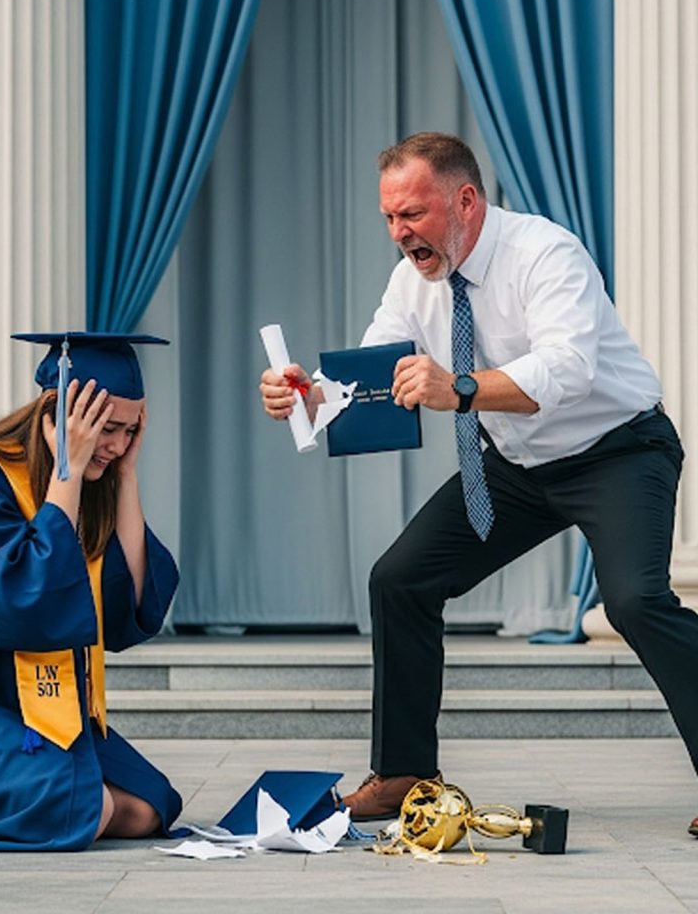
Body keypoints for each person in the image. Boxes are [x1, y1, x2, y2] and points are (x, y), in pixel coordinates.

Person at [259, 132, 697, 832]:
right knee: (399, 579)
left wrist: (458, 386)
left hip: (618, 451)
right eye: (390, 219)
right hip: (517, 465)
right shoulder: (413, 282)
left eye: (413, 215)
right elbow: (373, 377)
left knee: (637, 601)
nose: (400, 234)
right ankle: (405, 774)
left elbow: (567, 370)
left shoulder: (545, 253)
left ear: (464, 200)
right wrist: (308, 396)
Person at [0, 332, 182, 851]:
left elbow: (129, 608)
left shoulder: (97, 485)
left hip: (34, 709)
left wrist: (127, 478)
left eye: (129, 432)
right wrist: (65, 476)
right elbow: (22, 603)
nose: (113, 445)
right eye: (105, 429)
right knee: (81, 805)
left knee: (149, 805)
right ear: (58, 412)